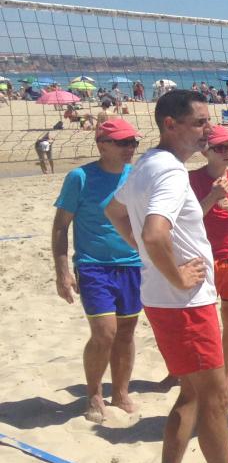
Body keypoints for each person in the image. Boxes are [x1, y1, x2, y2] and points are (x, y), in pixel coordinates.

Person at [106, 89, 228, 463]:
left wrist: (155, 262)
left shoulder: (147, 165)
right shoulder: (170, 172)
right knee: (215, 397)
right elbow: (155, 233)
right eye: (199, 123)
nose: (207, 131)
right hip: (183, 301)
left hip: (167, 298)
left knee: (192, 396)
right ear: (169, 124)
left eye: (208, 122)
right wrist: (174, 272)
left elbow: (115, 213)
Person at [52, 119, 144, 422]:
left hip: (132, 264)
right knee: (105, 332)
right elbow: (61, 226)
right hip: (93, 266)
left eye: (133, 142)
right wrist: (62, 271)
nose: (130, 148)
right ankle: (94, 394)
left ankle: (120, 393)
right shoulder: (80, 177)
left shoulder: (137, 176)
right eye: (123, 142)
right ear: (102, 145)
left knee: (126, 332)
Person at [189, 124, 228, 392]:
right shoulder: (191, 180)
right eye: (221, 148)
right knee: (201, 318)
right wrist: (214, 196)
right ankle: (191, 371)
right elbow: (187, 222)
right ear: (206, 151)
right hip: (201, 259)